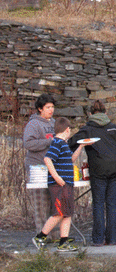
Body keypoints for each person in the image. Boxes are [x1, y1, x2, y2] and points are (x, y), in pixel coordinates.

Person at [68, 100, 116, 247]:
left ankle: (98, 239)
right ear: (106, 113)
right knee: (111, 203)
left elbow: (70, 143)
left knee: (98, 203)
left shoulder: (87, 129)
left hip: (98, 170)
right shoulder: (114, 128)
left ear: (90, 114)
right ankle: (112, 239)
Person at [32, 117, 93, 252]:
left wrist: (81, 146)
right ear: (67, 129)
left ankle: (63, 241)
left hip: (67, 184)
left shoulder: (64, 144)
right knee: (59, 213)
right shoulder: (57, 143)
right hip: (59, 184)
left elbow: (71, 159)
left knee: (67, 213)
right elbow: (47, 159)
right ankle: (40, 236)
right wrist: (57, 177)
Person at [23, 94, 56, 234]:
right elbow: (28, 143)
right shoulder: (33, 124)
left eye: (52, 107)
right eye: (48, 107)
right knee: (41, 204)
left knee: (54, 203)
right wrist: (49, 142)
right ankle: (42, 236)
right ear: (40, 109)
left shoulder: (54, 123)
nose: (51, 110)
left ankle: (55, 234)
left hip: (53, 168)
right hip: (37, 168)